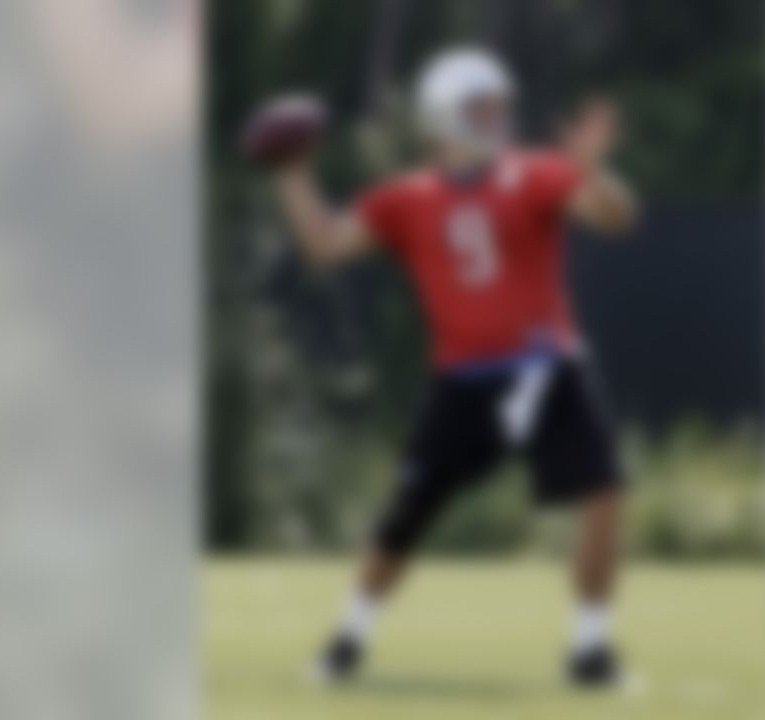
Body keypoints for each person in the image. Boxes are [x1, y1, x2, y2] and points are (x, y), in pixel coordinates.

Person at [270, 46, 638, 688]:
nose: (496, 116)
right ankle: (347, 643)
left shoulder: (536, 172)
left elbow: (616, 219)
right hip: (462, 378)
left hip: (546, 365)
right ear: (443, 114)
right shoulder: (406, 197)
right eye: (480, 105)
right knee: (406, 516)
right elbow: (324, 244)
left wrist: (595, 172)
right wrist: (292, 172)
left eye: (500, 103)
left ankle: (591, 653)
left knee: (604, 495)